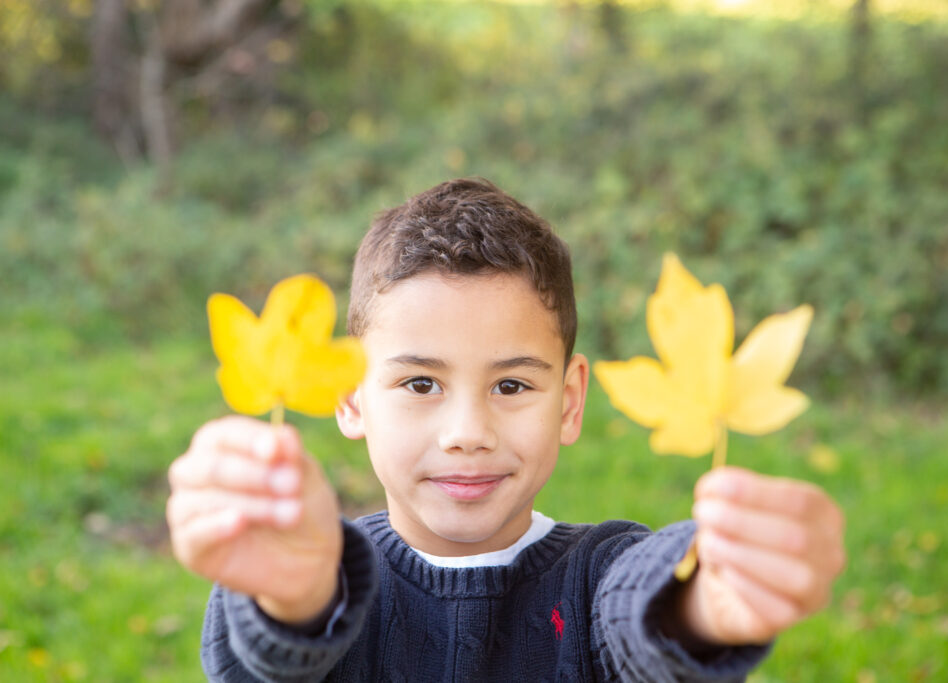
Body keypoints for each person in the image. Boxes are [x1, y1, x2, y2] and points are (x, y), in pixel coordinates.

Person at [166, 178, 846, 682]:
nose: (468, 431)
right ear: (351, 397)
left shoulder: (596, 574)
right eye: (421, 383)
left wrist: (700, 603)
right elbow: (267, 662)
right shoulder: (323, 572)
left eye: (512, 385)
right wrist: (293, 593)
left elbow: (637, 613)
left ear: (570, 399)